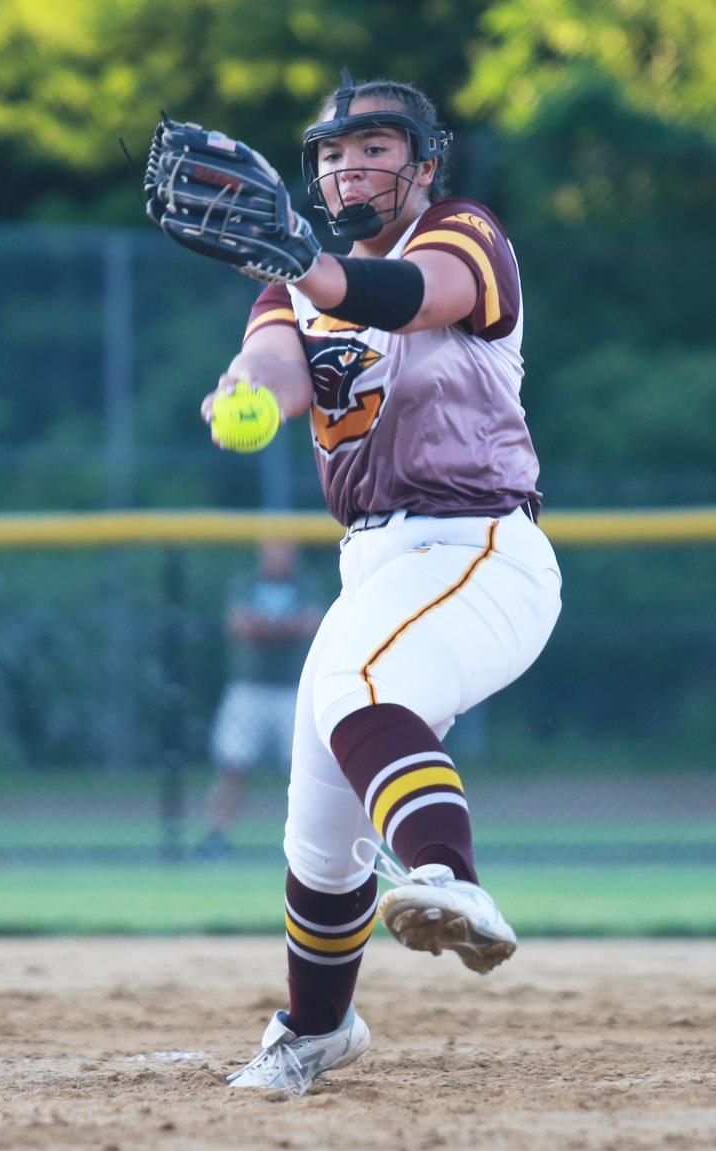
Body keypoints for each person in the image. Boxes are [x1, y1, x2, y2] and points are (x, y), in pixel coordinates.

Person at [161, 72, 563, 1095]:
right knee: (319, 827)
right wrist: (243, 389)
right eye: (336, 152)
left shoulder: (464, 233)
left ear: (423, 165)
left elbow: (407, 295)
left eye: (376, 147)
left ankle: (448, 875)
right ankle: (316, 1027)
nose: (352, 165)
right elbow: (279, 372)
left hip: (477, 544)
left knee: (363, 691)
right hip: (374, 565)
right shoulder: (294, 285)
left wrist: (310, 264)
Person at [195, 540, 323, 859]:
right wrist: (285, 627)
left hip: (293, 690)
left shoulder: (305, 586)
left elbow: (312, 625)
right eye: (273, 550)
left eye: (285, 550)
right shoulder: (247, 584)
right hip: (249, 689)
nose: (279, 556)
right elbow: (239, 624)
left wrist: (263, 626)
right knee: (232, 766)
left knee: (309, 769)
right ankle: (216, 837)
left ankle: (315, 843)